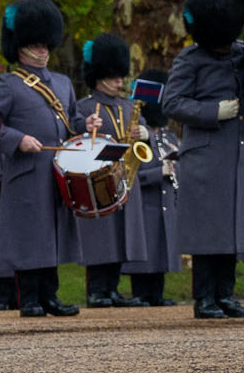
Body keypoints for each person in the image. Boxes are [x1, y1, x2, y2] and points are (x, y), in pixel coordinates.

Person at [162, 0, 244, 319]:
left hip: (238, 152)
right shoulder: (191, 59)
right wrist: (214, 111)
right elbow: (172, 102)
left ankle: (225, 295)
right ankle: (204, 298)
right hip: (206, 155)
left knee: (232, 229)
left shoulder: (243, 52)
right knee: (207, 230)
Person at [0, 0, 81, 318]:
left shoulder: (63, 84)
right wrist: (17, 140)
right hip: (25, 172)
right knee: (29, 237)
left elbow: (70, 124)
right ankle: (29, 297)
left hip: (55, 172)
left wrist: (86, 126)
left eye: (46, 45)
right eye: (35, 45)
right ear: (20, 47)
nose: (43, 50)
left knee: (51, 236)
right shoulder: (9, 84)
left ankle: (50, 295)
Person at [73, 33, 171, 307]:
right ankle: (97, 290)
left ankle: (113, 289)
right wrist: (85, 127)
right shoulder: (84, 107)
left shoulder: (130, 107)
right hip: (98, 181)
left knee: (121, 235)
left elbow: (148, 145)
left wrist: (146, 134)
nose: (120, 81)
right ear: (99, 75)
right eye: (114, 76)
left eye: (120, 76)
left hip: (126, 181)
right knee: (100, 236)